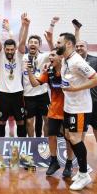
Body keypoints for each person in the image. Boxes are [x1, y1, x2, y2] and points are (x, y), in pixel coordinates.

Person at [56, 32, 97, 190]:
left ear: (68, 44)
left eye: (59, 42)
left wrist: (75, 88)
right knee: (69, 136)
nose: (56, 45)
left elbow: (96, 80)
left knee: (75, 138)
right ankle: (83, 170)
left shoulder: (77, 61)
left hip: (80, 107)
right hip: (69, 106)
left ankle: (84, 172)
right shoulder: (66, 59)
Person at [28, 48, 74, 177]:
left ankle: (69, 164)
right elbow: (34, 84)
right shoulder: (49, 71)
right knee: (51, 135)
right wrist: (29, 71)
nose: (50, 58)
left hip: (69, 110)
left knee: (69, 138)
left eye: (53, 55)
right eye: (50, 56)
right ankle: (54, 161)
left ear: (61, 57)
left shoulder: (68, 69)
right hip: (54, 110)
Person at [75, 39, 97, 163]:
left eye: (81, 46)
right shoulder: (73, 62)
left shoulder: (96, 60)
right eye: (77, 46)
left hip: (95, 101)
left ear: (87, 47)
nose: (79, 48)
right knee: (81, 130)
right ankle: (80, 156)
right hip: (80, 102)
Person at [0, 14, 27, 137]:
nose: (9, 51)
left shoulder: (19, 56)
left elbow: (22, 41)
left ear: (15, 49)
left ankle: (22, 147)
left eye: (11, 49)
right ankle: (1, 146)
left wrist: (25, 25)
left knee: (20, 121)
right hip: (3, 93)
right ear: (4, 49)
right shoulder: (0, 56)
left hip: (17, 93)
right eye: (7, 49)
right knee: (1, 121)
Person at [22, 15, 54, 137]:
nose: (33, 44)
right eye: (31, 42)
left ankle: (44, 143)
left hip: (42, 94)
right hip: (28, 94)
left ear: (39, 45)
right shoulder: (23, 57)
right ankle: (31, 143)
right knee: (29, 121)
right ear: (28, 45)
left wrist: (50, 37)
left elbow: (55, 52)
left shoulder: (44, 56)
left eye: (36, 42)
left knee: (47, 120)